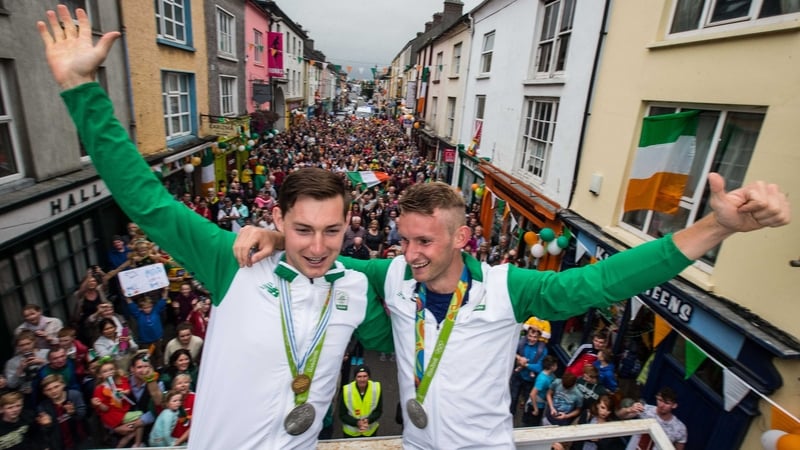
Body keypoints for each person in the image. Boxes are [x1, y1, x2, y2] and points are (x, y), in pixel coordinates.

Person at [37, 7, 392, 448]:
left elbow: (410, 299)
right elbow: (149, 203)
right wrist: (80, 88)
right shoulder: (233, 260)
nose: (319, 247)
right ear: (278, 217)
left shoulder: (353, 286)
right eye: (302, 229)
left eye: (332, 230)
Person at [236, 171, 790, 448]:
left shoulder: (509, 286)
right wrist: (273, 232)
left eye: (426, 242)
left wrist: (715, 227)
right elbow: (319, 251)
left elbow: (600, 281)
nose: (412, 254)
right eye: (405, 239)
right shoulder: (392, 275)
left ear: (461, 237)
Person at [90, 358, 144, 448]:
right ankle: (137, 445)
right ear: (100, 375)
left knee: (134, 428)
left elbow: (128, 391)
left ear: (115, 369)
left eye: (111, 369)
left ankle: (128, 439)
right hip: (113, 416)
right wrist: (98, 404)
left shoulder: (121, 379)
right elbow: (105, 409)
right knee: (141, 417)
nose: (109, 372)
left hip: (123, 411)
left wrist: (122, 392)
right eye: (105, 371)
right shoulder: (99, 389)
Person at [616, 387, 687, 450]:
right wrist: (629, 409)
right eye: (660, 400)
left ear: (674, 405)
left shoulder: (680, 428)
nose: (661, 405)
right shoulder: (645, 409)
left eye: (666, 403)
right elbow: (620, 415)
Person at [38, 374, 88, 450]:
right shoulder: (43, 407)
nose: (53, 391)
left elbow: (83, 416)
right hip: (59, 445)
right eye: (49, 389)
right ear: (44, 392)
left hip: (80, 440)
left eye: (56, 387)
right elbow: (44, 432)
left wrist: (73, 413)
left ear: (63, 385)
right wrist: (47, 425)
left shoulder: (74, 395)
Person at [509, 324, 548, 416]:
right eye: (530, 336)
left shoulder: (543, 350)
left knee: (527, 399)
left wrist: (525, 364)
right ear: (527, 334)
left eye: (535, 337)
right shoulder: (521, 343)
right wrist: (519, 358)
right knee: (513, 397)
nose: (532, 339)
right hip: (518, 375)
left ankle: (524, 418)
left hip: (530, 380)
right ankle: (511, 415)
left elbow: (539, 367)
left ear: (539, 337)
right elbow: (511, 351)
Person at [339, 364, 383, 438]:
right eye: (359, 376)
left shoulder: (376, 388)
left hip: (370, 432)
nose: (362, 379)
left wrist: (368, 420)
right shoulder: (347, 390)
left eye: (365, 376)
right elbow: (342, 414)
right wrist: (357, 423)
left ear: (369, 377)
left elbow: (378, 411)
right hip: (351, 434)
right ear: (355, 378)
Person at [524, 355, 558, 427]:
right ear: (552, 367)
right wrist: (536, 409)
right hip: (536, 405)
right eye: (555, 365)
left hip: (542, 405)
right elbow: (532, 394)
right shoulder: (542, 379)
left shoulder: (551, 375)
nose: (557, 367)